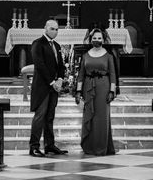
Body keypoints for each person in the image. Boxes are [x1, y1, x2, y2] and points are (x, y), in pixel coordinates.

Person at [75, 27, 117, 155]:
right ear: (90, 39)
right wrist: (78, 92)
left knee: (101, 118)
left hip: (103, 88)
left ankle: (101, 147)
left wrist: (112, 91)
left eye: (99, 38)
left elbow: (113, 75)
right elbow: (81, 75)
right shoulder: (85, 55)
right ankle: (89, 146)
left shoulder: (109, 56)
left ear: (103, 40)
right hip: (88, 88)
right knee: (90, 116)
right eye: (94, 38)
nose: (97, 40)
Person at [29, 20, 68, 157]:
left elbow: (61, 65)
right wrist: (52, 82)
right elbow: (40, 65)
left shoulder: (56, 45)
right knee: (40, 116)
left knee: (50, 116)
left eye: (57, 29)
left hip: (53, 87)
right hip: (42, 86)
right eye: (52, 29)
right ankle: (33, 146)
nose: (55, 31)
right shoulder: (38, 44)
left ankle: (49, 145)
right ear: (45, 28)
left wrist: (60, 79)